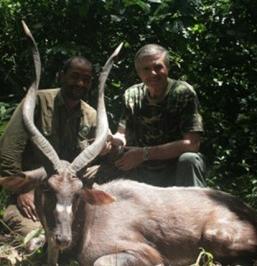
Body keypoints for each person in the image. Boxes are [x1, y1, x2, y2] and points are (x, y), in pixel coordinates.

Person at [0, 56, 110, 237]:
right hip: (35, 191)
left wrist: (111, 148)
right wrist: (22, 190)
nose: (80, 83)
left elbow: (102, 154)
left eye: (86, 79)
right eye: (75, 76)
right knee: (38, 237)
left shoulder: (91, 115)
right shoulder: (37, 102)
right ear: (62, 76)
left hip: (71, 193)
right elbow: (9, 152)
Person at [112, 44, 206, 187]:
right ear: (139, 73)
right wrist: (114, 141)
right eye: (146, 69)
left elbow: (192, 144)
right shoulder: (132, 95)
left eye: (158, 67)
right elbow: (121, 133)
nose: (153, 74)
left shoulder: (182, 93)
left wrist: (144, 154)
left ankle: (196, 207)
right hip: (141, 167)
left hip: (174, 166)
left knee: (190, 160)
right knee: (112, 161)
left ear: (167, 68)